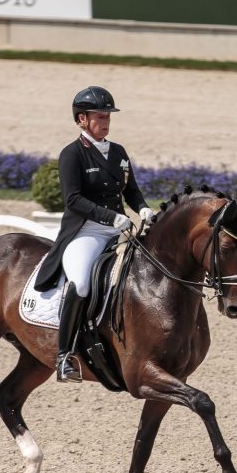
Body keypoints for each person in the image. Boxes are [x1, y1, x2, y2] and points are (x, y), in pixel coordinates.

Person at [34, 86, 155, 383]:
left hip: (120, 231)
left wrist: (143, 210)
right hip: (86, 232)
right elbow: (73, 200)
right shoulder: (72, 155)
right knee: (82, 283)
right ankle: (65, 356)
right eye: (99, 117)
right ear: (81, 120)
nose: (105, 122)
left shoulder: (118, 153)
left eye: (108, 117)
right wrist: (111, 217)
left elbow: (131, 191)